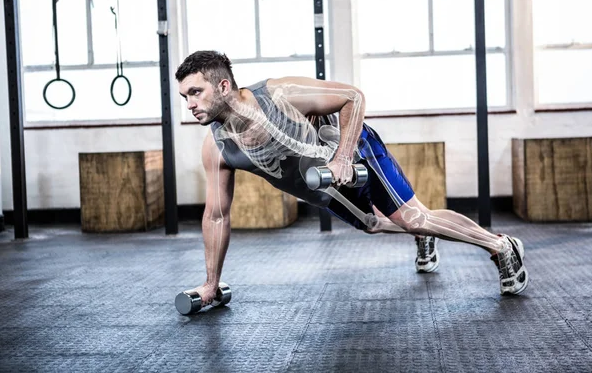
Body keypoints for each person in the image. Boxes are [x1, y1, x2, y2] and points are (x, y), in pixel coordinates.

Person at [175, 50, 529, 306]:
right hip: (323, 185)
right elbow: (216, 215)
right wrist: (211, 284)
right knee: (373, 225)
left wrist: (343, 156)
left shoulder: (279, 94)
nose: (189, 104)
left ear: (223, 86)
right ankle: (421, 237)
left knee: (414, 217)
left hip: (352, 150)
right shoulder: (217, 148)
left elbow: (352, 97)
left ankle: (501, 246)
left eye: (195, 92)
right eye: (184, 96)